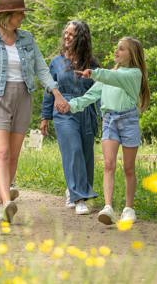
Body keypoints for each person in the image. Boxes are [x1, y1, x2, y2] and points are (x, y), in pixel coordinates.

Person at [0, 0, 69, 223]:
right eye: (20, 13)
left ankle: (1, 204)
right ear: (7, 16)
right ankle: (7, 200)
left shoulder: (27, 39)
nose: (23, 17)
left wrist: (57, 93)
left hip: (23, 96)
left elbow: (41, 68)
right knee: (1, 152)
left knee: (13, 154)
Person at [65, 37, 150, 225]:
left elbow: (115, 78)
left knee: (128, 168)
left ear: (131, 54)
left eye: (121, 49)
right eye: (116, 48)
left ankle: (129, 208)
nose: (116, 52)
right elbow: (92, 95)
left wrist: (94, 73)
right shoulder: (109, 74)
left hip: (128, 121)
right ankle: (108, 207)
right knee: (108, 164)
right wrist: (71, 105)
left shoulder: (134, 74)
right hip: (109, 120)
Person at [40, 20, 99, 215]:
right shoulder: (56, 62)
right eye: (65, 33)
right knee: (73, 150)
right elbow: (50, 90)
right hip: (64, 111)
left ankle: (75, 189)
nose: (66, 37)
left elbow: (99, 91)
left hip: (86, 111)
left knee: (86, 154)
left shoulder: (92, 64)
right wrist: (45, 117)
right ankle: (79, 197)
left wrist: (103, 115)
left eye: (71, 34)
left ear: (81, 38)